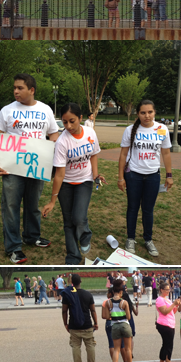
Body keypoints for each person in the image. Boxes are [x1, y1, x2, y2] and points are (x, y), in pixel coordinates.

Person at [0, 73, 59, 264]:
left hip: (36, 167)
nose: (15, 91)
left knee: (33, 203)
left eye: (20, 88)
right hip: (11, 168)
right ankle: (13, 247)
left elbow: (54, 134)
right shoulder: (7, 110)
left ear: (31, 90)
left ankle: (32, 236)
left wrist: (49, 153)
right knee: (10, 207)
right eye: (14, 88)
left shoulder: (45, 110)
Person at [41, 103, 104, 266]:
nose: (68, 126)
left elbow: (94, 155)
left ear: (81, 118)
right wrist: (53, 200)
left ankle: (85, 236)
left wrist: (95, 175)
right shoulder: (62, 142)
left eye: (72, 121)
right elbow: (59, 174)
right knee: (68, 221)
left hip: (85, 181)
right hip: (66, 185)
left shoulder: (90, 133)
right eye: (64, 122)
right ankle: (73, 257)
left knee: (79, 216)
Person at [118, 98, 172, 256]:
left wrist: (169, 175)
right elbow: (123, 154)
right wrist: (120, 177)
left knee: (148, 210)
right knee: (133, 208)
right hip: (133, 176)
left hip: (153, 176)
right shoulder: (129, 130)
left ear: (155, 112)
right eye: (143, 112)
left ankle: (148, 239)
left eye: (150, 112)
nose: (147, 115)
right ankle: (130, 238)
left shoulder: (162, 129)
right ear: (138, 113)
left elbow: (166, 153)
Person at [61, 271, 98, 362]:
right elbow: (93, 310)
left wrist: (65, 323)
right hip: (87, 324)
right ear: (80, 281)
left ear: (71, 282)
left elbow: (64, 311)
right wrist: (96, 322)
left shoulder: (68, 294)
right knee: (90, 346)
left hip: (74, 324)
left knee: (76, 347)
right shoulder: (87, 294)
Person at [102, 278, 133, 362]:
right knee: (128, 349)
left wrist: (113, 315)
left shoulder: (108, 302)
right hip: (124, 324)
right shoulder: (124, 302)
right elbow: (128, 317)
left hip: (114, 325)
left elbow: (107, 316)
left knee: (116, 349)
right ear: (120, 291)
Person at [155, 280, 180, 362]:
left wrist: (176, 306)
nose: (168, 291)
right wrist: (173, 304)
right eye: (166, 290)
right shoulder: (160, 300)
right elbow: (164, 311)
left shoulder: (167, 299)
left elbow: (172, 311)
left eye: (169, 290)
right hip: (165, 324)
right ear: (161, 290)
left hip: (169, 323)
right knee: (169, 344)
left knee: (165, 344)